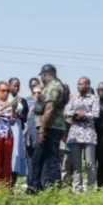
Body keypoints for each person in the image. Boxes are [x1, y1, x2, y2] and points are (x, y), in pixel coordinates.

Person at [26, 64, 66, 194]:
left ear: (45, 74)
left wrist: (42, 130)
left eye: (42, 76)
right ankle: (38, 187)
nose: (42, 79)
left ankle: (47, 188)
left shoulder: (53, 86)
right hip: (51, 127)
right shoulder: (53, 86)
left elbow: (49, 109)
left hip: (50, 128)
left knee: (49, 159)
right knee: (42, 158)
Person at [63, 77, 100, 192]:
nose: (79, 86)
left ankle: (91, 189)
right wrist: (75, 113)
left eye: (81, 84)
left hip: (88, 135)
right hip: (75, 136)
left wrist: (84, 114)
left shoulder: (94, 98)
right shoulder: (74, 100)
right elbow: (66, 112)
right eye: (78, 84)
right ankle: (77, 188)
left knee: (90, 164)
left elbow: (96, 113)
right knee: (76, 165)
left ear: (88, 85)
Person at [8, 77, 29, 187]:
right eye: (14, 85)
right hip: (6, 129)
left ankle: (13, 184)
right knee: (7, 156)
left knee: (16, 155)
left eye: (18, 86)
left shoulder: (22, 101)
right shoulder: (4, 98)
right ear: (9, 85)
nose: (16, 88)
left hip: (17, 130)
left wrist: (19, 115)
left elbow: (25, 117)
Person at [25, 83, 43, 182]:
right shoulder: (28, 103)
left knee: (38, 160)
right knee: (30, 160)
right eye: (34, 92)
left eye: (39, 92)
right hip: (29, 136)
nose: (36, 94)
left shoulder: (45, 104)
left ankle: (37, 182)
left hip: (39, 136)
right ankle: (30, 182)